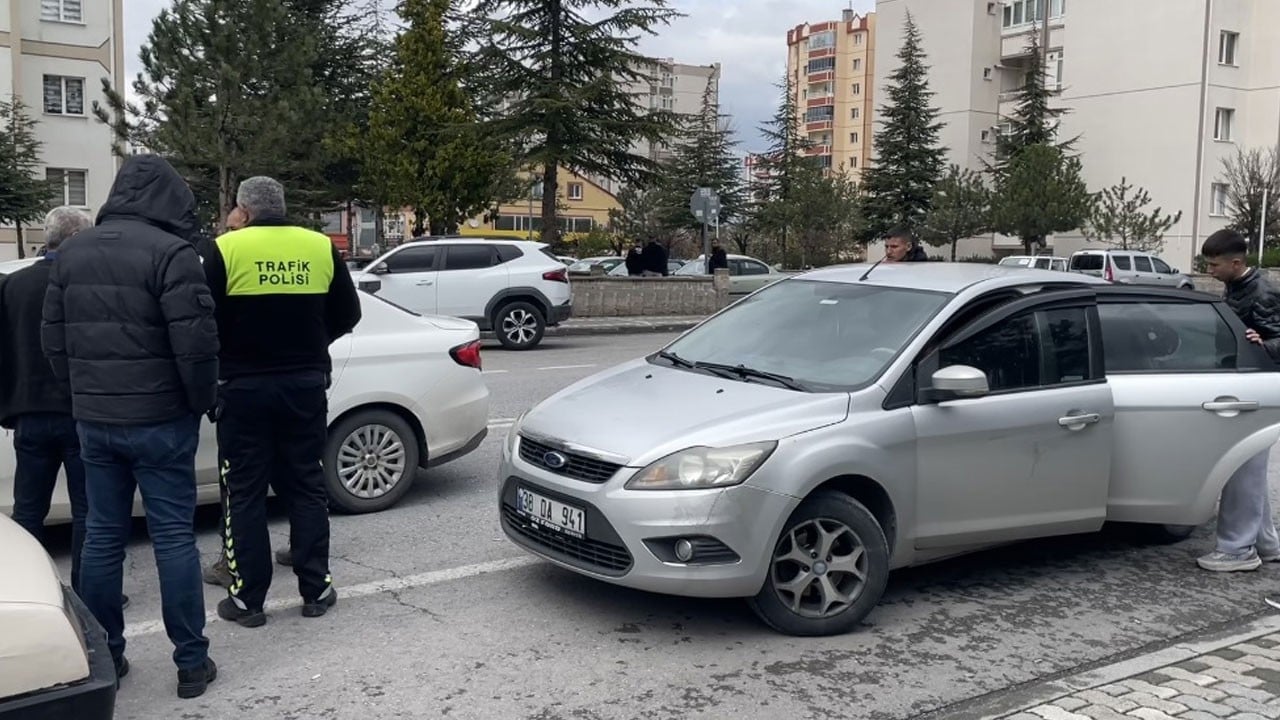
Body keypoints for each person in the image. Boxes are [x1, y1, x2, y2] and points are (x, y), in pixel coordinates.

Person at [42, 154, 220, 699]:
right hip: (162, 420)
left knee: (101, 538)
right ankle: (191, 663)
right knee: (171, 538)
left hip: (96, 422)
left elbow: (53, 341)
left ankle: (107, 659)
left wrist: (81, 397)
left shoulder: (69, 252)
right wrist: (198, 404)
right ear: (170, 200)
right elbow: (196, 347)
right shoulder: (172, 253)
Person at [200, 176, 361, 628]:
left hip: (243, 389)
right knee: (307, 486)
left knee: (245, 494)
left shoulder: (226, 249)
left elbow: (203, 318)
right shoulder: (319, 246)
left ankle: (249, 602)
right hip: (305, 386)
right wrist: (311, 344)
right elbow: (349, 313)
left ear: (245, 212)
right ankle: (316, 589)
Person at [0, 208, 96, 597]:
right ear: (76, 237)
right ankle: (88, 589)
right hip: (79, 412)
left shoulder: (12, 285)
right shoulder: (87, 285)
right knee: (87, 510)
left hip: (28, 413)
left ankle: (24, 590)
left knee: (27, 509)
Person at [1195, 229, 1280, 576]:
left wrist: (1265, 345)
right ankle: (1265, 544)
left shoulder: (1261, 292)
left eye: (1214, 265)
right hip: (1247, 382)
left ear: (1236, 262)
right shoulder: (1238, 286)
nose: (1209, 272)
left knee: (1242, 468)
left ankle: (1237, 548)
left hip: (1256, 386)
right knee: (1249, 467)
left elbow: (1275, 339)